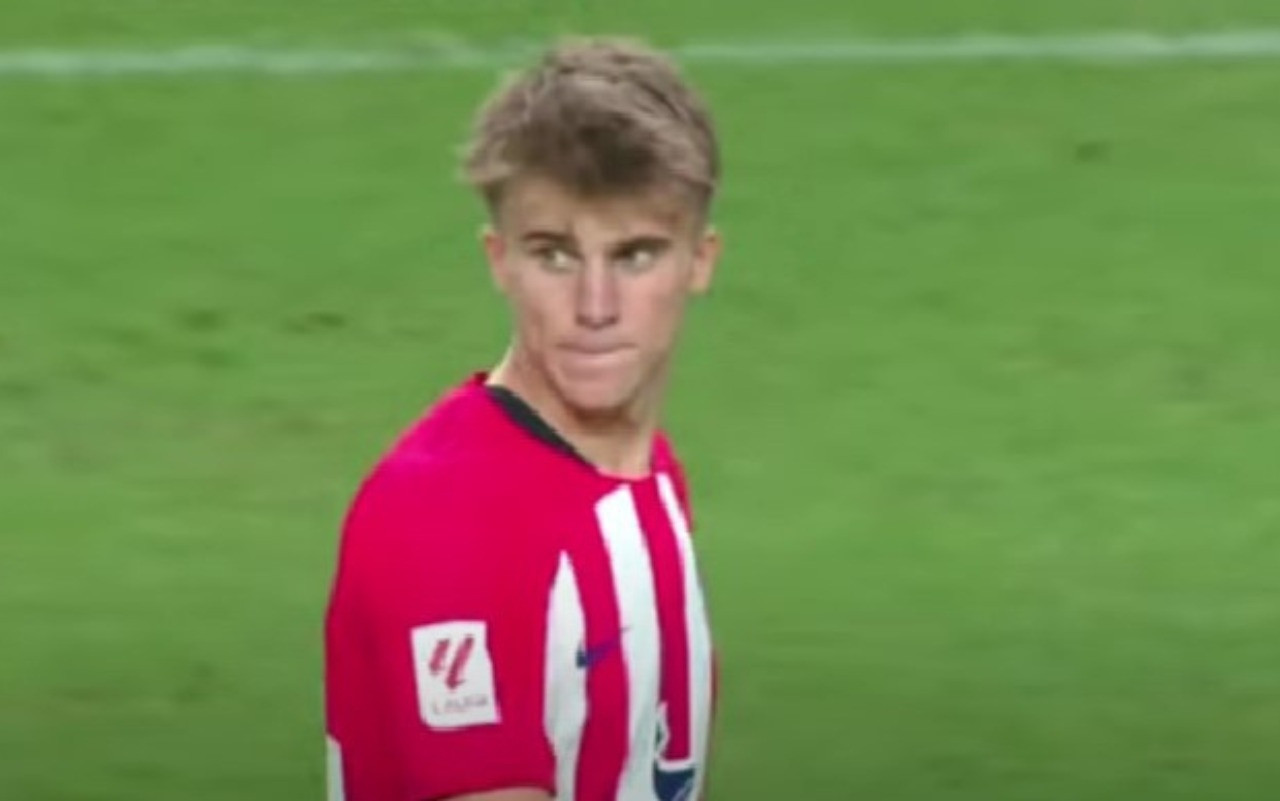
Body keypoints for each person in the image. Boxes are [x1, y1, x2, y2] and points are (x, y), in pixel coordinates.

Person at [324, 35, 723, 801]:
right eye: (555, 255)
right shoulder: (443, 516)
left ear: (700, 261)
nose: (596, 307)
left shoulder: (647, 475)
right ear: (499, 258)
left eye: (635, 255)